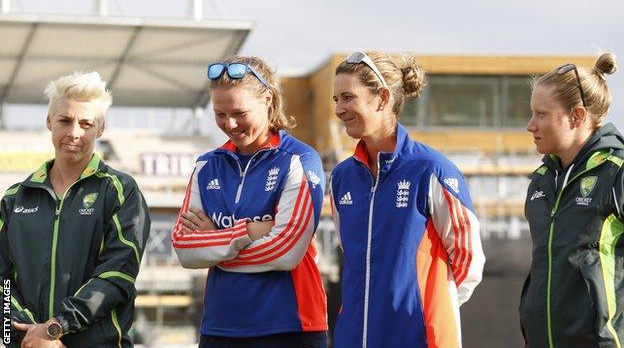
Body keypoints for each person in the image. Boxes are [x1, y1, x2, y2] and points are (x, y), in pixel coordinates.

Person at [329, 51, 485, 348]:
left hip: (418, 336)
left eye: (348, 97)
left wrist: (428, 307)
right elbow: (351, 253)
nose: (339, 109)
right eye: (336, 100)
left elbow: (469, 261)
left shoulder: (431, 170)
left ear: (382, 98)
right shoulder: (341, 178)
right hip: (352, 337)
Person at [172, 56, 328, 348]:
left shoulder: (300, 160)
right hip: (220, 329)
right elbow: (184, 249)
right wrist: (247, 232)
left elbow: (285, 252)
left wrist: (215, 245)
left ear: (268, 99)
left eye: (239, 112)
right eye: (220, 114)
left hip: (290, 329)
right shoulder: (206, 166)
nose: (230, 124)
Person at [0, 71, 151, 347]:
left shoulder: (121, 191)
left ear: (100, 128)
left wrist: (55, 329)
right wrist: (24, 334)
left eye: (86, 123)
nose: (74, 133)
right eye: (65, 120)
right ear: (49, 121)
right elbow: (2, 283)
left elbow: (117, 276)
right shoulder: (14, 199)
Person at [521, 53, 623, 348]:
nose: (531, 125)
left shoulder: (617, 172)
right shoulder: (540, 181)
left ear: (577, 116)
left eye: (541, 114)